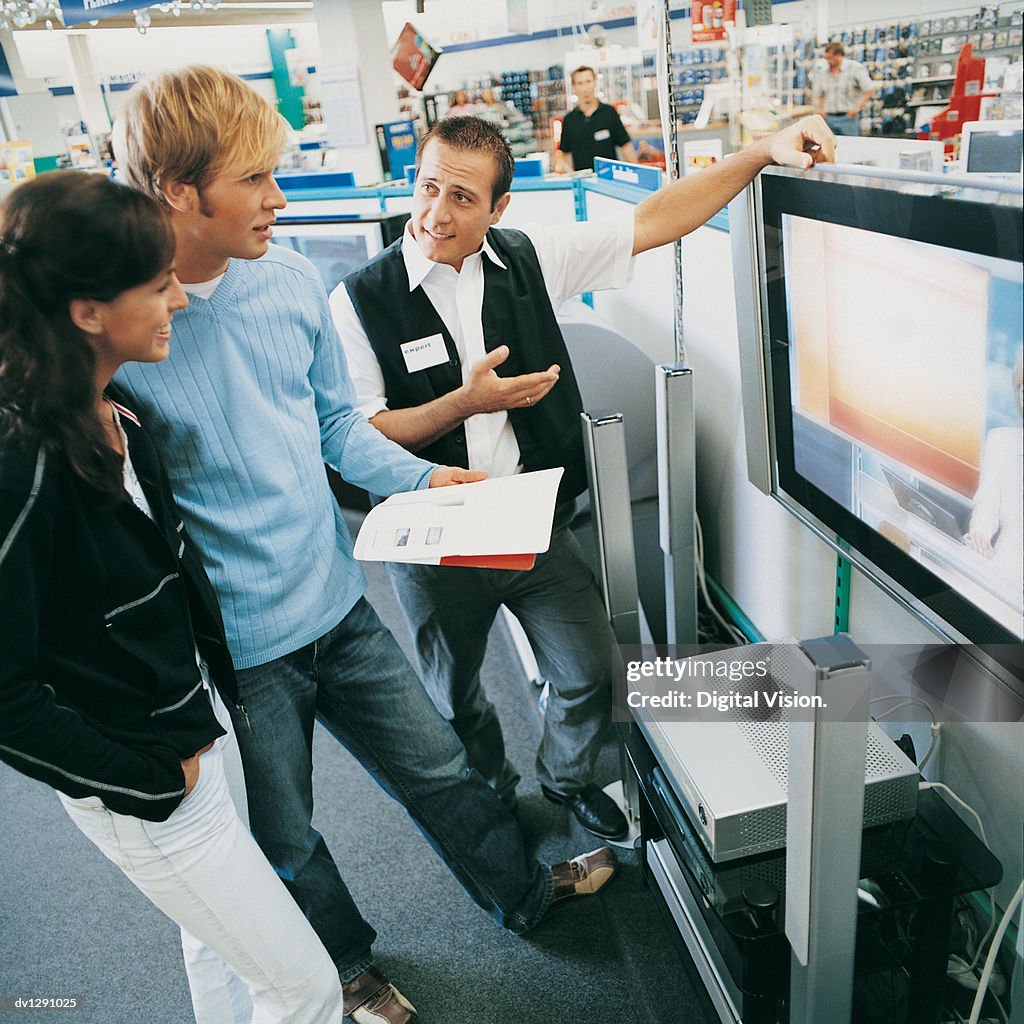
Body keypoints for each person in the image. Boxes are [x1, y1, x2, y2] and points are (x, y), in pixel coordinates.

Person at [111, 65, 617, 1024]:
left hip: (338, 604)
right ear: (181, 192)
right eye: (256, 177)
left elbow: (339, 429)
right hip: (239, 648)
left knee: (440, 767)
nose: (280, 196)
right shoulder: (127, 327)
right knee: (286, 833)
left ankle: (520, 891)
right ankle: (345, 967)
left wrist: (431, 481)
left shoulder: (291, 278)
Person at [330, 114, 836, 844]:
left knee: (590, 672)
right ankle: (491, 793)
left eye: (463, 199)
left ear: (499, 208)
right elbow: (359, 434)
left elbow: (658, 219)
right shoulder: (357, 300)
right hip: (430, 542)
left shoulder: (529, 259)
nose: (437, 214)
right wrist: (465, 402)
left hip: (532, 525)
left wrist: (759, 152)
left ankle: (563, 780)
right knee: (454, 694)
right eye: (429, 187)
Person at [0, 171, 346, 1023]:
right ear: (87, 311)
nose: (178, 304)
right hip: (147, 781)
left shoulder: (113, 411)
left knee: (221, 952)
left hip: (187, 726)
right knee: (306, 990)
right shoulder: (23, 467)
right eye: (157, 286)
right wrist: (151, 783)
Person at [964, 351, 1024, 603]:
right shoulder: (1002, 442)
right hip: (1001, 585)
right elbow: (987, 508)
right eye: (1023, 388)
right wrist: (980, 537)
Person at [555, 65, 637, 172]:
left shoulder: (609, 113)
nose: (585, 88)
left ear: (595, 82)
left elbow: (626, 145)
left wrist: (636, 173)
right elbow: (567, 155)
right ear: (574, 86)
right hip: (583, 183)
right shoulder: (569, 120)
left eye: (588, 81)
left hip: (609, 180)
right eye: (580, 83)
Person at [813, 41, 875, 136]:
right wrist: (819, 110)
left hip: (848, 118)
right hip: (828, 118)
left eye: (830, 58)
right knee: (827, 148)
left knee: (851, 148)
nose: (827, 61)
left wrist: (856, 108)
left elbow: (869, 89)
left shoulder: (855, 68)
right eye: (826, 58)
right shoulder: (823, 72)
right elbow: (819, 94)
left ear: (839, 55)